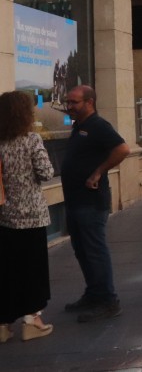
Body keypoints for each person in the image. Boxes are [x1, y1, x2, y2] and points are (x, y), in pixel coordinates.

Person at [61, 85, 129, 322]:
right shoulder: (79, 126)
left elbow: (123, 149)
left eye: (73, 102)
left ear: (89, 102)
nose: (69, 107)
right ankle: (93, 294)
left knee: (94, 251)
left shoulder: (99, 126)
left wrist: (98, 172)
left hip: (91, 202)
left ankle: (108, 301)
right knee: (82, 251)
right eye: (68, 102)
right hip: (75, 200)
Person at [0, 90, 55, 341]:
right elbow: (46, 173)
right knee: (32, 269)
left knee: (8, 269)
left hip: (5, 214)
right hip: (32, 215)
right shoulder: (31, 140)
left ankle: (3, 324)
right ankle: (33, 320)